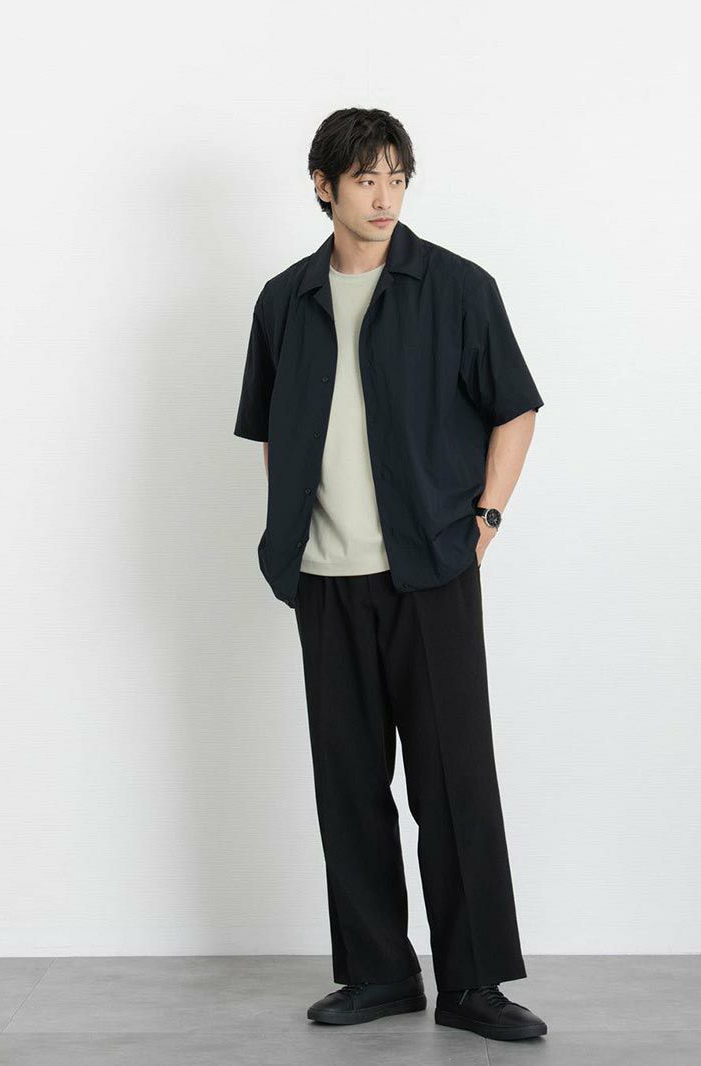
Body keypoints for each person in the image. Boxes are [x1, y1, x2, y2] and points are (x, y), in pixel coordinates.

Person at [234, 107, 548, 1043]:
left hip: (430, 571)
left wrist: (485, 520)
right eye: (365, 178)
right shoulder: (284, 300)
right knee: (348, 785)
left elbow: (516, 408)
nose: (384, 196)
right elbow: (274, 432)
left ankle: (474, 984)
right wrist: (289, 533)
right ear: (323, 186)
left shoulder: (455, 287)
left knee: (454, 782)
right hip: (324, 580)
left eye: (396, 177)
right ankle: (378, 973)